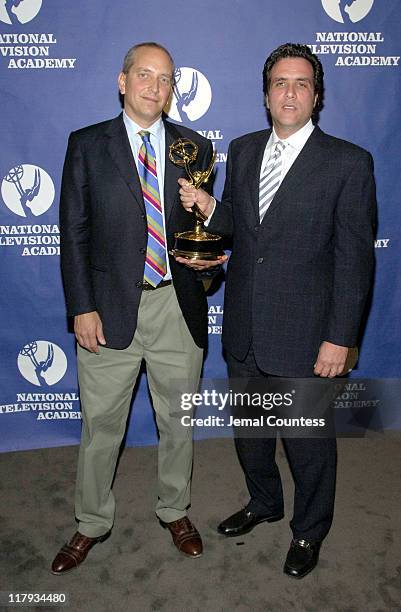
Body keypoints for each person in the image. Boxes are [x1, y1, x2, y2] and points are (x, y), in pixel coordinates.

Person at [177, 43, 376, 579]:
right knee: (253, 436)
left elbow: (355, 263)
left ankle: (309, 530)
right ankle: (264, 502)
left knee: (309, 446)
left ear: (317, 96)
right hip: (243, 327)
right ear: (266, 94)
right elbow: (244, 227)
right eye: (280, 83)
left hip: (308, 335)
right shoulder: (242, 150)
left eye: (302, 83)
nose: (290, 92)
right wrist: (208, 209)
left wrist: (340, 338)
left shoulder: (348, 162)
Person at [51, 42, 216, 574]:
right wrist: (81, 306)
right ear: (123, 81)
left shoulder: (194, 147)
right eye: (144, 74)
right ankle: (91, 521)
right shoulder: (87, 144)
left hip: (177, 306)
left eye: (165, 78)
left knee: (179, 420)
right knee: (101, 426)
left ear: (173, 90)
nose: (155, 85)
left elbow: (208, 232)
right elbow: (72, 233)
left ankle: (174, 509)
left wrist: (206, 258)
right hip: (108, 308)